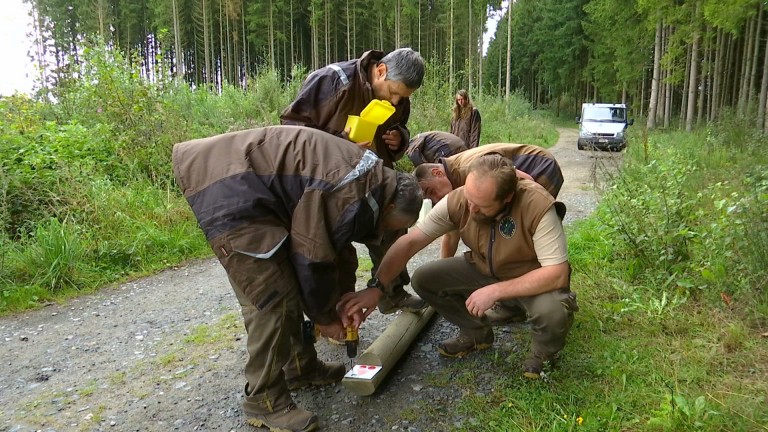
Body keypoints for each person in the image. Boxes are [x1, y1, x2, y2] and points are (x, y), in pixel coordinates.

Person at [172, 125, 424, 432]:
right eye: (388, 223)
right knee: (271, 294)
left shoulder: (373, 179)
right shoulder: (351, 191)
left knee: (307, 273)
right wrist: (325, 318)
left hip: (250, 182)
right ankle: (263, 400)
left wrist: (346, 301)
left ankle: (299, 367)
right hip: (227, 183)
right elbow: (311, 257)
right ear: (392, 204)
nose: (384, 230)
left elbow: (336, 250)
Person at [339, 154, 578, 379]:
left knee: (552, 311)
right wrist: (378, 287)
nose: (471, 209)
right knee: (424, 278)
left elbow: (556, 274)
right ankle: (477, 334)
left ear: (507, 198)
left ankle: (543, 353)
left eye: (481, 206)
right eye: (469, 200)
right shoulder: (463, 198)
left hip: (530, 277)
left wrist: (495, 292)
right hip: (484, 268)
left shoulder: (537, 206)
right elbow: (410, 241)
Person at [281, 47, 427, 314]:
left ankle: (391, 293)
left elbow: (400, 126)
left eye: (402, 97)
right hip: (331, 187)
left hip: (377, 180)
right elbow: (291, 131)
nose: (396, 102)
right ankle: (336, 312)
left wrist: (399, 140)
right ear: (381, 71)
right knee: (337, 253)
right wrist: (338, 145)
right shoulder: (334, 80)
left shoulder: (399, 98)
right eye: (394, 93)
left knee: (392, 234)